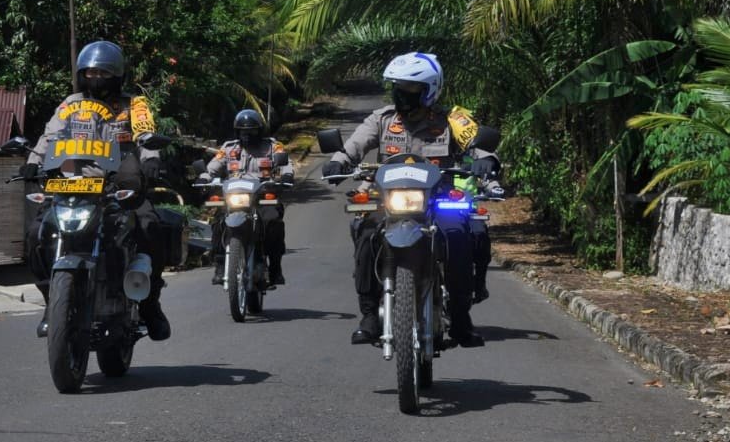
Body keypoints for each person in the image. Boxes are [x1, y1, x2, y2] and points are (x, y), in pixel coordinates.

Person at [321, 52, 504, 348]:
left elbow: (479, 146)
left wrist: (486, 162)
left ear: (429, 90)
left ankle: (460, 319)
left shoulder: (452, 121)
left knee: (460, 237)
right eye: (397, 87)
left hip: (437, 200)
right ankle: (369, 315)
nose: (401, 94)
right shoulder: (381, 119)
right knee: (367, 234)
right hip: (388, 199)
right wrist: (338, 161)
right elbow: (355, 145)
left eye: (409, 89)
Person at [20, 40, 172, 342]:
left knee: (150, 226)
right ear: (80, 75)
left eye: (103, 73)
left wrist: (152, 159)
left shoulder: (134, 105)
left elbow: (145, 133)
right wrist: (32, 162)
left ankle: (150, 303)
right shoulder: (69, 104)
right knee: (36, 233)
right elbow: (50, 136)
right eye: (90, 73)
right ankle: (52, 303)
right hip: (72, 184)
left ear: (117, 75)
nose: (96, 79)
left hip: (119, 186)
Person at [199, 109, 295, 286]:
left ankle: (275, 266)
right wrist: (204, 177)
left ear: (259, 130)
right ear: (237, 132)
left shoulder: (273, 147)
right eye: (243, 132)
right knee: (218, 222)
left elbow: (286, 164)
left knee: (272, 221)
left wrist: (287, 175)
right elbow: (213, 166)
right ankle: (220, 265)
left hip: (261, 196)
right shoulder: (229, 148)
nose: (247, 135)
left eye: (251, 131)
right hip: (234, 196)